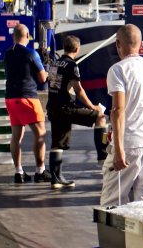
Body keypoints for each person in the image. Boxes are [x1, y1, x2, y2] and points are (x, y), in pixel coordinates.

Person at [100, 24, 143, 207]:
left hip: (131, 142)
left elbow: (117, 110)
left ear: (118, 44)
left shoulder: (117, 70)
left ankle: (114, 235)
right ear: (141, 44)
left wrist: (118, 150)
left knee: (113, 199)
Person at [46, 35, 108, 189]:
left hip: (53, 107)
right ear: (77, 49)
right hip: (66, 108)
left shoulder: (54, 63)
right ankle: (102, 154)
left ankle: (56, 179)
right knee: (100, 116)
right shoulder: (72, 65)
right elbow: (78, 90)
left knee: (57, 143)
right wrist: (92, 106)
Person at [5, 23, 50, 183]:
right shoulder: (31, 54)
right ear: (28, 36)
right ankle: (40, 171)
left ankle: (19, 172)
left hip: (11, 98)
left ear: (13, 36)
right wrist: (45, 66)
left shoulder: (7, 54)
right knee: (40, 134)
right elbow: (43, 78)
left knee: (16, 136)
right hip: (28, 97)